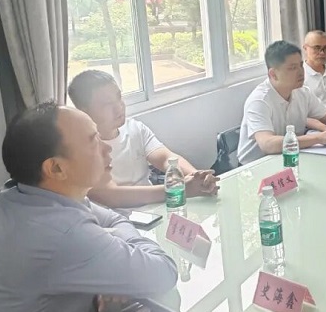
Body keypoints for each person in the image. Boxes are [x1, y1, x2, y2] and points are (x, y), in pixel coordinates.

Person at [0, 102, 178, 312]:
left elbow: (111, 218)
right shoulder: (62, 233)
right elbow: (164, 273)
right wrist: (111, 253)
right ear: (56, 168)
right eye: (93, 141)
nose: (107, 148)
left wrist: (109, 256)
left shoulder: (17, 195)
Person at [67, 70, 219, 209]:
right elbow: (111, 195)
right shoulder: (81, 148)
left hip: (155, 210)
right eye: (107, 104)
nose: (119, 107)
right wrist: (178, 189)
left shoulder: (135, 128)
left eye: (118, 97)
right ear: (84, 111)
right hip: (116, 221)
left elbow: (166, 158)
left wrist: (198, 177)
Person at [238, 40, 326, 165]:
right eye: (293, 68)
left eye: (301, 65)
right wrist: (319, 138)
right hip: (255, 166)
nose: (301, 72)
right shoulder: (259, 101)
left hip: (290, 158)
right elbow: (268, 144)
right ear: (273, 74)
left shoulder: (302, 92)